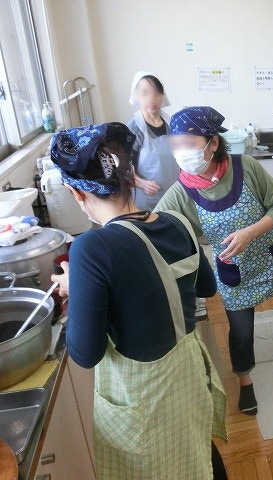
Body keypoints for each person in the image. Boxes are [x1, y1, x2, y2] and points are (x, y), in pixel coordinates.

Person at [48, 122, 227, 479]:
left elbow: (86, 353)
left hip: (145, 400)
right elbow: (207, 287)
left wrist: (76, 287)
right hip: (187, 373)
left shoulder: (91, 249)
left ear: (76, 193)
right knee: (196, 455)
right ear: (131, 176)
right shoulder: (176, 221)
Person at [155, 106, 273, 416]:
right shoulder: (179, 194)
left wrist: (250, 232)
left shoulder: (246, 166)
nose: (181, 151)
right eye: (176, 145)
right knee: (241, 333)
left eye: (189, 143)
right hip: (236, 273)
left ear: (213, 143)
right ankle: (245, 380)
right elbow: (154, 229)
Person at [127, 71, 180, 211]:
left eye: (156, 93)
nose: (151, 98)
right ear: (137, 96)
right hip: (147, 198)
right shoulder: (134, 129)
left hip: (173, 194)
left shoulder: (172, 124)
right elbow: (124, 167)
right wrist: (142, 183)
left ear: (162, 96)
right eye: (145, 93)